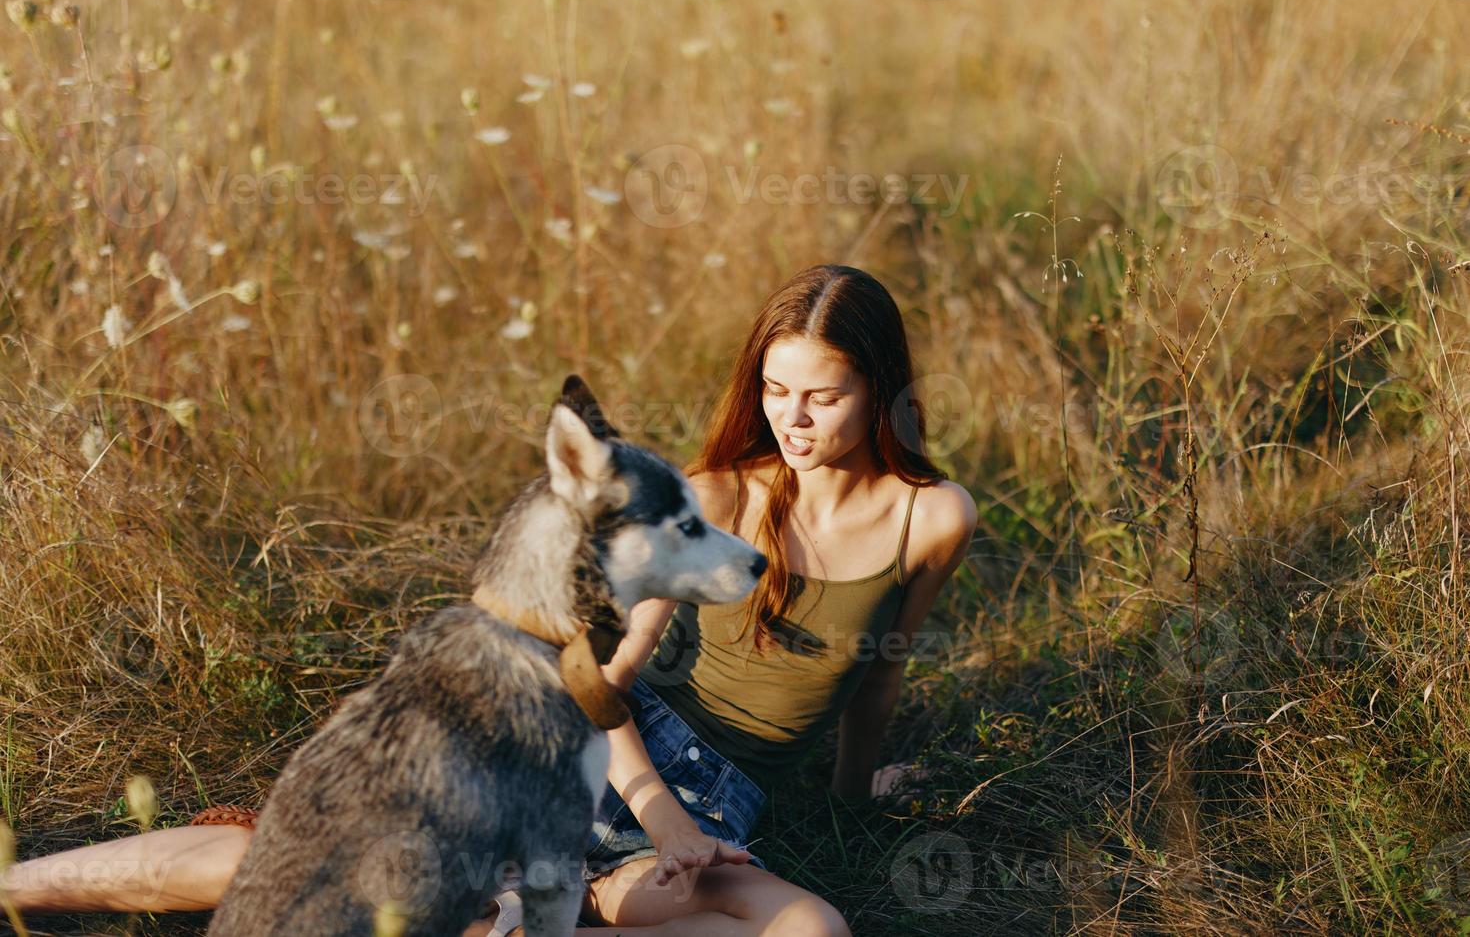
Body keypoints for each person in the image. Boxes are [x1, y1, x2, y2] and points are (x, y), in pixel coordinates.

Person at [1, 264, 978, 936]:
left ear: (881, 391)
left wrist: (855, 795)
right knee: (293, 858)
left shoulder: (932, 518)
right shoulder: (714, 496)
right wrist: (659, 813)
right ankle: (15, 883)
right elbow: (598, 678)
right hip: (600, 760)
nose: (793, 419)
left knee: (813, 925)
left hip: (718, 803)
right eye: (775, 389)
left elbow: (874, 673)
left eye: (825, 395)